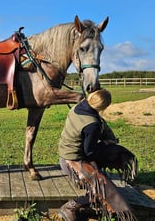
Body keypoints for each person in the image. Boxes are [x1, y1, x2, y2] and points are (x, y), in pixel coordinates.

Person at [58, 89, 138, 221]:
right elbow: (89, 152)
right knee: (104, 192)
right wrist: (106, 143)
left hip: (66, 153)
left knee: (112, 158)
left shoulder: (80, 106)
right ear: (104, 106)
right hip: (72, 161)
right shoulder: (92, 124)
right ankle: (70, 207)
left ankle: (97, 175)